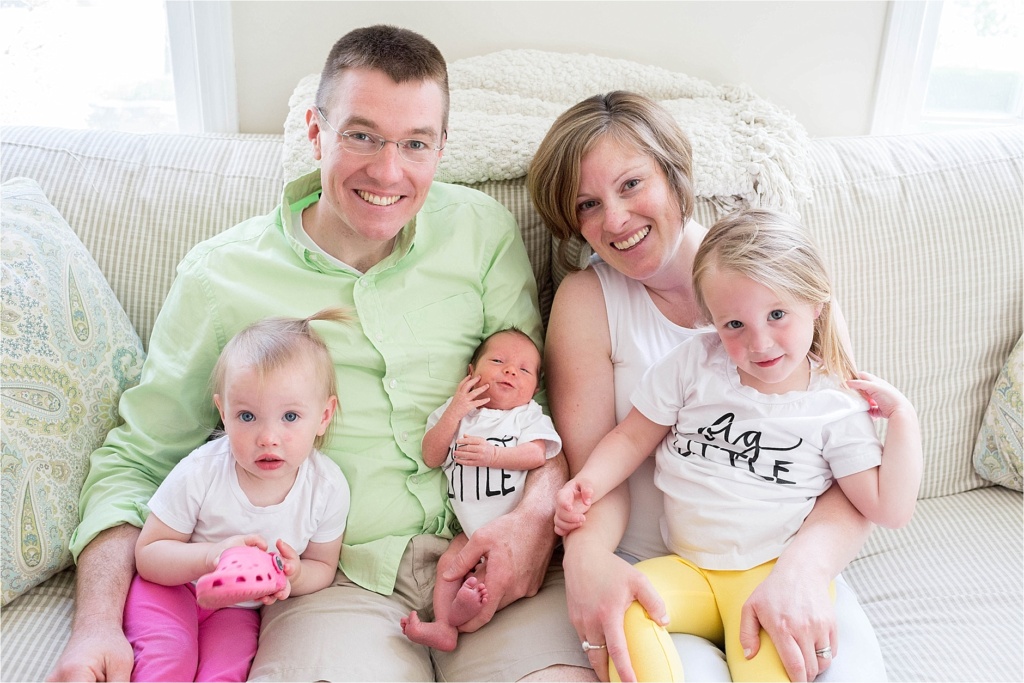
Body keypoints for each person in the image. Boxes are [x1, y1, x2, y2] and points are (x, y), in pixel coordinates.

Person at [48, 25, 589, 683]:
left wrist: (532, 523)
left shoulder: (482, 232)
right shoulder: (221, 278)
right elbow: (137, 462)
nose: (388, 171)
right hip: (334, 582)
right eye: (361, 135)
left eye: (415, 143)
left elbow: (541, 413)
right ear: (315, 131)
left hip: (493, 558)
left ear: (442, 148)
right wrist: (97, 626)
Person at [528, 91, 889, 683]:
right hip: (658, 571)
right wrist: (589, 563)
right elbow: (597, 466)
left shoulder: (769, 268)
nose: (614, 220)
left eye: (631, 184)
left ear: (675, 175)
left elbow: (846, 456)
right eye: (588, 205)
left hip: (783, 563)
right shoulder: (588, 300)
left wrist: (802, 570)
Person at [554, 209, 923, 681]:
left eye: (776, 315)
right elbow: (631, 437)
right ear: (709, 320)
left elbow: (888, 510)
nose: (760, 342)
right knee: (623, 611)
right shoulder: (695, 364)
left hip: (771, 580)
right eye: (734, 325)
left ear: (815, 304)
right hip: (687, 569)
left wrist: (904, 421)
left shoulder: (834, 405)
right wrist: (587, 483)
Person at [124, 309, 351, 681]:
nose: (268, 437)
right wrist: (212, 556)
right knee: (168, 661)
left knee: (227, 671)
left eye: (290, 417)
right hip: (174, 590)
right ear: (224, 413)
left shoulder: (326, 488)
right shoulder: (202, 471)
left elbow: (323, 567)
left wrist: (294, 576)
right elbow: (149, 555)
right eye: (247, 417)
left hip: (238, 608)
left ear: (324, 416)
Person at [402, 328, 562, 651]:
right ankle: (445, 626)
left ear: (536, 387)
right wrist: (455, 411)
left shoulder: (526, 416)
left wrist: (494, 455)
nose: (510, 371)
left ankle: (468, 608)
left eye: (524, 370)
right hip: (469, 530)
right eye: (498, 361)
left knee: (488, 576)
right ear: (471, 373)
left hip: (508, 526)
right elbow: (432, 455)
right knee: (449, 565)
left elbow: (536, 454)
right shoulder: (458, 414)